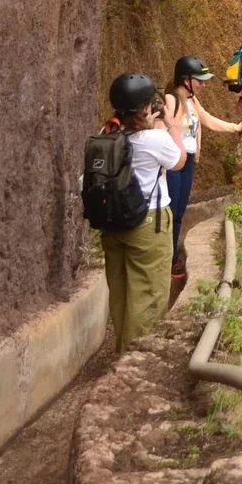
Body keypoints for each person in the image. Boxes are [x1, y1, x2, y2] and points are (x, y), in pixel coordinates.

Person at [103, 72, 184, 353]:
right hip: (148, 224)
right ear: (145, 108)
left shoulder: (108, 134)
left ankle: (121, 350)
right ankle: (135, 360)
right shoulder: (154, 139)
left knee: (122, 292)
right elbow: (179, 160)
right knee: (148, 294)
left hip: (113, 225)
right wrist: (171, 124)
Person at [163, 56, 242, 283]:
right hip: (173, 164)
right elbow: (162, 129)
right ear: (185, 80)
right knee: (170, 212)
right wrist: (176, 153)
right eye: (199, 80)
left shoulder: (192, 100)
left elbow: (208, 120)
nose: (203, 84)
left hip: (188, 162)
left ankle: (172, 256)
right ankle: (167, 259)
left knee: (179, 211)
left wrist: (236, 127)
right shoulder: (171, 100)